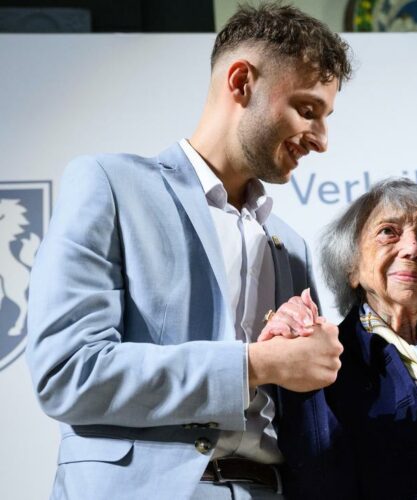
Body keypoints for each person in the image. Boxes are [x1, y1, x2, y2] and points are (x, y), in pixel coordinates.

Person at [25, 4, 351, 499]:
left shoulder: (290, 244)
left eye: (326, 117)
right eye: (307, 110)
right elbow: (67, 372)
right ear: (241, 82)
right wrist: (253, 364)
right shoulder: (111, 186)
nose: (322, 140)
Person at [263, 179, 417, 499]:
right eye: (388, 232)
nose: (413, 248)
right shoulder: (326, 360)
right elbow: (318, 482)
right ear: (351, 266)